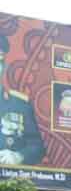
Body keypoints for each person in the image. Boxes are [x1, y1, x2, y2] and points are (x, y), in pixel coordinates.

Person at [0, 35, 46, 167]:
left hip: (10, 182)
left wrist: (19, 156)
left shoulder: (20, 105)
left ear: (4, 67)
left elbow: (37, 146)